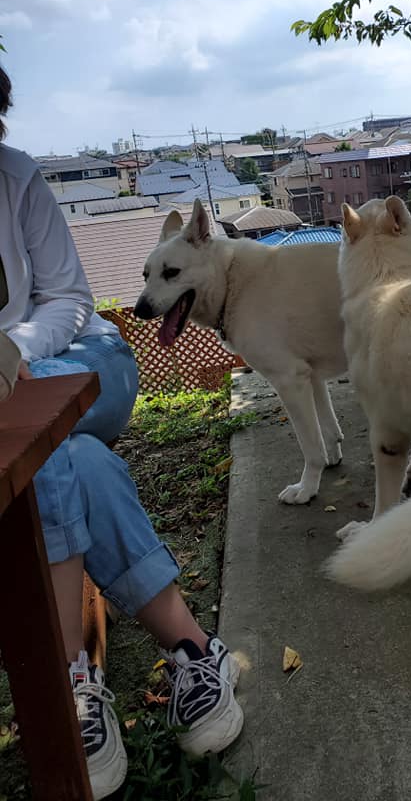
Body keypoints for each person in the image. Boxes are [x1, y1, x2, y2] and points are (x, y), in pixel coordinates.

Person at [0, 66, 243, 800]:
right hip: (39, 419)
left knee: (58, 427)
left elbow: (69, 297)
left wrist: (16, 351)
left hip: (55, 367)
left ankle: (77, 681)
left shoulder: (15, 179)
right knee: (64, 456)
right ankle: (194, 651)